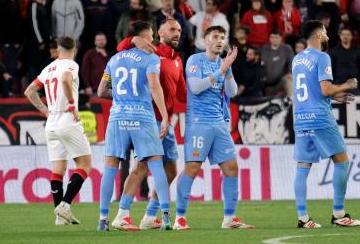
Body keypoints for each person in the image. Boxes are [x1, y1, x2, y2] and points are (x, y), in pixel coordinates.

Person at [96, 21, 172, 231]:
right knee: (156, 165)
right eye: (149, 36)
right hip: (142, 118)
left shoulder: (113, 59)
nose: (152, 40)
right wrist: (164, 116)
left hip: (117, 118)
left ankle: (103, 220)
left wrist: (121, 96)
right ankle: (165, 217)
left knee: (110, 168)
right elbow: (155, 86)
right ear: (140, 38)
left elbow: (101, 91)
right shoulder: (151, 58)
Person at [174, 25, 252, 230]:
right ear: (205, 40)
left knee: (232, 168)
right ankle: (179, 218)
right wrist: (221, 70)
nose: (219, 40)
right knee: (192, 168)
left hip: (219, 123)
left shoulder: (223, 64)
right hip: (198, 123)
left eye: (222, 37)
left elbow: (232, 92)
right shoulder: (195, 60)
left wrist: (226, 70)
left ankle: (229, 218)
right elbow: (196, 87)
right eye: (215, 37)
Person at [114, 19, 186, 230]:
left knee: (171, 169)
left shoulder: (177, 60)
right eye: (172, 29)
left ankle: (149, 217)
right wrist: (133, 39)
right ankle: (122, 214)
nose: (177, 33)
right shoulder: (148, 53)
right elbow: (121, 48)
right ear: (160, 34)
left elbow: (182, 94)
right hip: (147, 119)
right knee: (141, 167)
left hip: (166, 122)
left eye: (179, 30)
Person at [292, 20, 360, 228]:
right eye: (324, 31)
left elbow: (311, 91)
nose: (327, 34)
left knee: (302, 167)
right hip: (320, 118)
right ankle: (339, 214)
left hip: (301, 118)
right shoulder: (322, 57)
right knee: (342, 161)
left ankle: (303, 217)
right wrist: (346, 85)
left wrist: (335, 96)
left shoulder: (297, 59)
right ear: (318, 35)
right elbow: (324, 89)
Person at [24, 37, 92, 226]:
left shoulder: (48, 68)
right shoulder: (71, 65)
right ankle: (65, 205)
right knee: (85, 165)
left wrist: (46, 111)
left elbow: (29, 91)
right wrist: (72, 104)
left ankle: (59, 217)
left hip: (52, 122)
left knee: (58, 169)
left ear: (58, 49)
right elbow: (65, 80)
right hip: (67, 119)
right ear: (75, 49)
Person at [329, 27, 360, 95]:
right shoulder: (333, 52)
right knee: (338, 106)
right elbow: (330, 70)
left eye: (348, 35)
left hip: (353, 85)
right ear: (340, 36)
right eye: (343, 34)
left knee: (355, 104)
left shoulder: (358, 51)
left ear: (351, 36)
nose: (345, 36)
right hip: (338, 85)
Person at [261, 31, 294, 97]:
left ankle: (292, 103)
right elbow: (260, 64)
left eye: (276, 37)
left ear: (281, 38)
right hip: (266, 83)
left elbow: (292, 61)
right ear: (269, 39)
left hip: (280, 81)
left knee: (289, 79)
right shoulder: (264, 49)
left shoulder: (286, 48)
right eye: (272, 37)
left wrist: (290, 72)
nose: (274, 40)